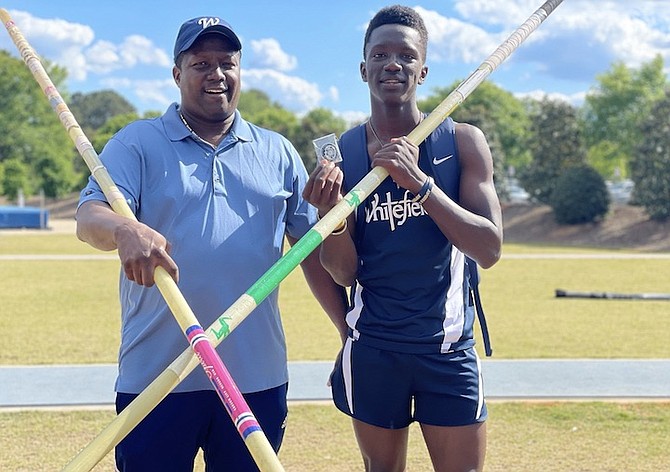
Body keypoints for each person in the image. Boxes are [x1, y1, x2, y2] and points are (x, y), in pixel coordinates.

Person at [76, 16, 346, 472]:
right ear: (177, 74)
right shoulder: (136, 143)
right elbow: (88, 216)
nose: (216, 73)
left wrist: (344, 329)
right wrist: (125, 230)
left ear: (240, 72)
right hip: (159, 378)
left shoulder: (277, 151)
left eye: (227, 62)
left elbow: (313, 255)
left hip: (254, 378)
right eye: (201, 63)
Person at [302, 5, 503, 472]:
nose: (393, 64)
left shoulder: (460, 142)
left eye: (406, 56)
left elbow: (489, 248)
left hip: (447, 348)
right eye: (381, 54)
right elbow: (345, 271)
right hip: (374, 347)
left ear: (423, 69)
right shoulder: (339, 154)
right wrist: (331, 217)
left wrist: (423, 187)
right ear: (363, 68)